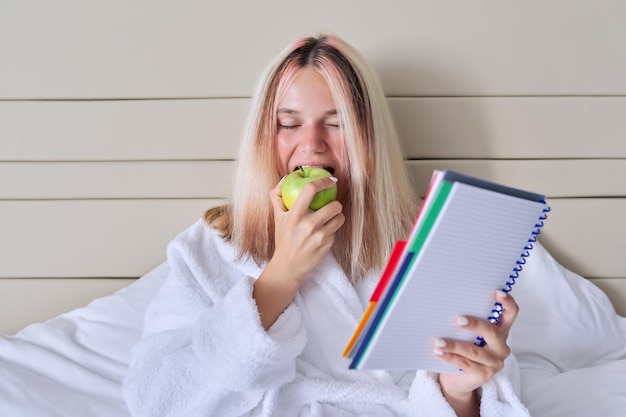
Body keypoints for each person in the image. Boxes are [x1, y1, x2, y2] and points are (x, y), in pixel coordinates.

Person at [123, 34, 530, 417]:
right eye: (289, 123)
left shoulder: (427, 242)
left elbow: (448, 396)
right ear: (264, 138)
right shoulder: (210, 251)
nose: (313, 142)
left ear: (369, 138)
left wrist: (458, 393)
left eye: (337, 123)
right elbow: (157, 399)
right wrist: (281, 275)